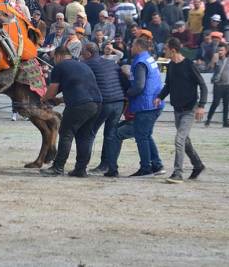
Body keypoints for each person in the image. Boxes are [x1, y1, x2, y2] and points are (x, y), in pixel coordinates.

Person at [40, 46, 102, 177]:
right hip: (96, 103)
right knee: (84, 137)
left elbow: (52, 90)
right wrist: (60, 100)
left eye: (54, 58)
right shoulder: (83, 66)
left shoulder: (59, 67)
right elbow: (80, 88)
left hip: (78, 105)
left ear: (58, 56)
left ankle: (58, 167)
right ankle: (80, 169)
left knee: (66, 134)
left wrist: (44, 99)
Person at [155, 37, 207, 184]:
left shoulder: (189, 65)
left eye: (166, 48)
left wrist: (201, 106)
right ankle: (198, 165)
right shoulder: (171, 65)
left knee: (179, 140)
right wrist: (160, 97)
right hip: (178, 109)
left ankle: (178, 173)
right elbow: (169, 86)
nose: (164, 51)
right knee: (185, 141)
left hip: (190, 109)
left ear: (172, 50)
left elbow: (203, 86)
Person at [116, 38, 166, 177]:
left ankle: (146, 168)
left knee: (141, 137)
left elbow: (139, 86)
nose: (130, 48)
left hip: (146, 105)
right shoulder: (149, 59)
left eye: (132, 45)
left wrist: (127, 94)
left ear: (138, 46)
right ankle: (157, 165)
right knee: (146, 135)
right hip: (155, 103)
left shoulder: (139, 62)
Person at [80, 43, 126, 174]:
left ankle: (81, 166)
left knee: (89, 133)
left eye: (82, 51)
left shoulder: (87, 64)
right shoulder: (111, 63)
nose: (81, 54)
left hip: (104, 102)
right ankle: (106, 165)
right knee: (110, 135)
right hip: (119, 101)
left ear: (89, 53)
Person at [205, 43, 229, 128]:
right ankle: (208, 120)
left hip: (227, 85)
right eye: (219, 50)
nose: (220, 52)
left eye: (222, 50)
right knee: (215, 103)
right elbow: (209, 68)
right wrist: (213, 61)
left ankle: (225, 121)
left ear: (226, 51)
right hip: (218, 85)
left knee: (226, 104)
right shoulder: (216, 59)